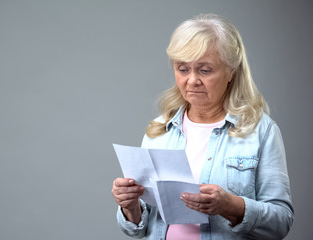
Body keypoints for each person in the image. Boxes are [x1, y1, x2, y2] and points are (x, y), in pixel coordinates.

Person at [111, 14, 294, 240]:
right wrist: (130, 207)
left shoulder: (261, 131)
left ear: (231, 72)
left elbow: (281, 222)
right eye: (183, 69)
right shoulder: (159, 130)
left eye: (205, 70)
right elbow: (138, 228)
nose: (192, 81)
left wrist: (231, 206)